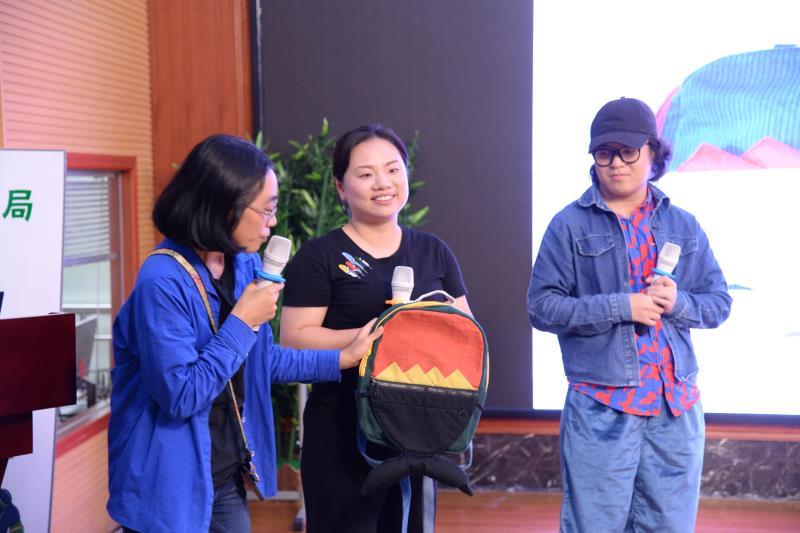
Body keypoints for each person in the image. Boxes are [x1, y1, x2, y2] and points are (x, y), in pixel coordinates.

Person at [106, 134, 381, 533]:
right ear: (224, 205)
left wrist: (344, 357)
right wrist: (241, 321)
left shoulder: (243, 264)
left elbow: (260, 361)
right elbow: (180, 395)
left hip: (224, 473)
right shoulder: (161, 280)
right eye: (266, 210)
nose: (273, 223)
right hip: (167, 485)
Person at [527, 98, 732, 532]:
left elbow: (719, 303)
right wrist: (623, 305)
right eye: (604, 153)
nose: (616, 163)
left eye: (628, 151)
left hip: (675, 407)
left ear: (653, 152)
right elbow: (542, 307)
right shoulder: (569, 225)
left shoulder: (684, 224)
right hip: (602, 406)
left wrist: (678, 302)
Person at [280, 124, 472, 533]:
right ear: (340, 187)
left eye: (393, 169)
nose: (382, 183)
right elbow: (293, 340)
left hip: (416, 429)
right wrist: (375, 335)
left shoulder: (434, 251)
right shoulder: (320, 256)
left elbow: (465, 334)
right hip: (340, 429)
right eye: (366, 174)